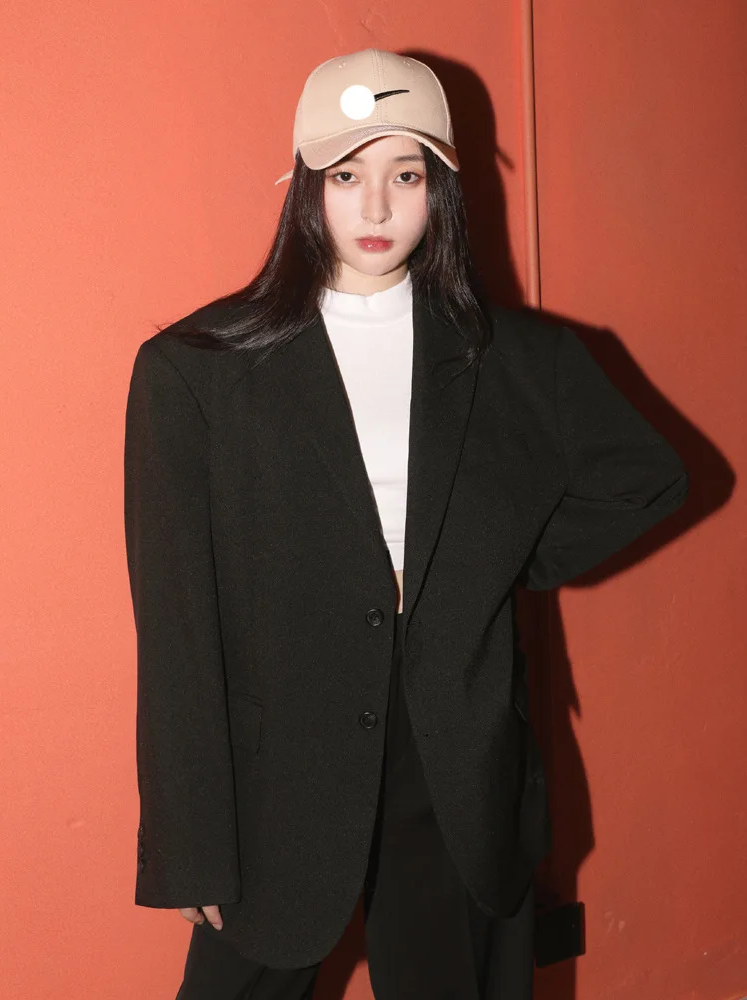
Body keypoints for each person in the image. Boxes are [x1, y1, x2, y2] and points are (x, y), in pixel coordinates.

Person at [123, 48, 689, 1000]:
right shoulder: (196, 371)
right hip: (276, 779)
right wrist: (188, 843)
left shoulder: (514, 359)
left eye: (407, 174)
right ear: (306, 187)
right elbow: (175, 627)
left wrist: (482, 565)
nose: (377, 207)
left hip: (455, 766)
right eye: (347, 176)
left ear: (442, 189)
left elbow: (648, 479)